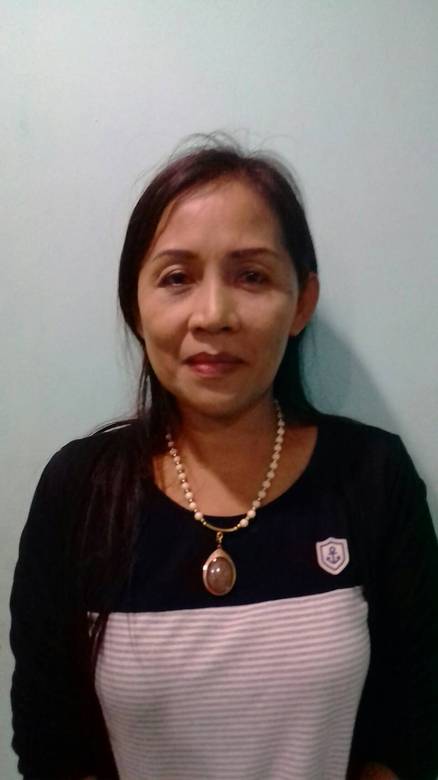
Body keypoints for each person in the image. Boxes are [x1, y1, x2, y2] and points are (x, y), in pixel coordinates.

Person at [9, 137, 438, 780]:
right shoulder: (79, 490)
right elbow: (51, 746)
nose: (213, 315)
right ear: (135, 306)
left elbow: (409, 729)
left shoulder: (373, 477)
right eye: (176, 278)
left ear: (302, 303)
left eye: (252, 276)